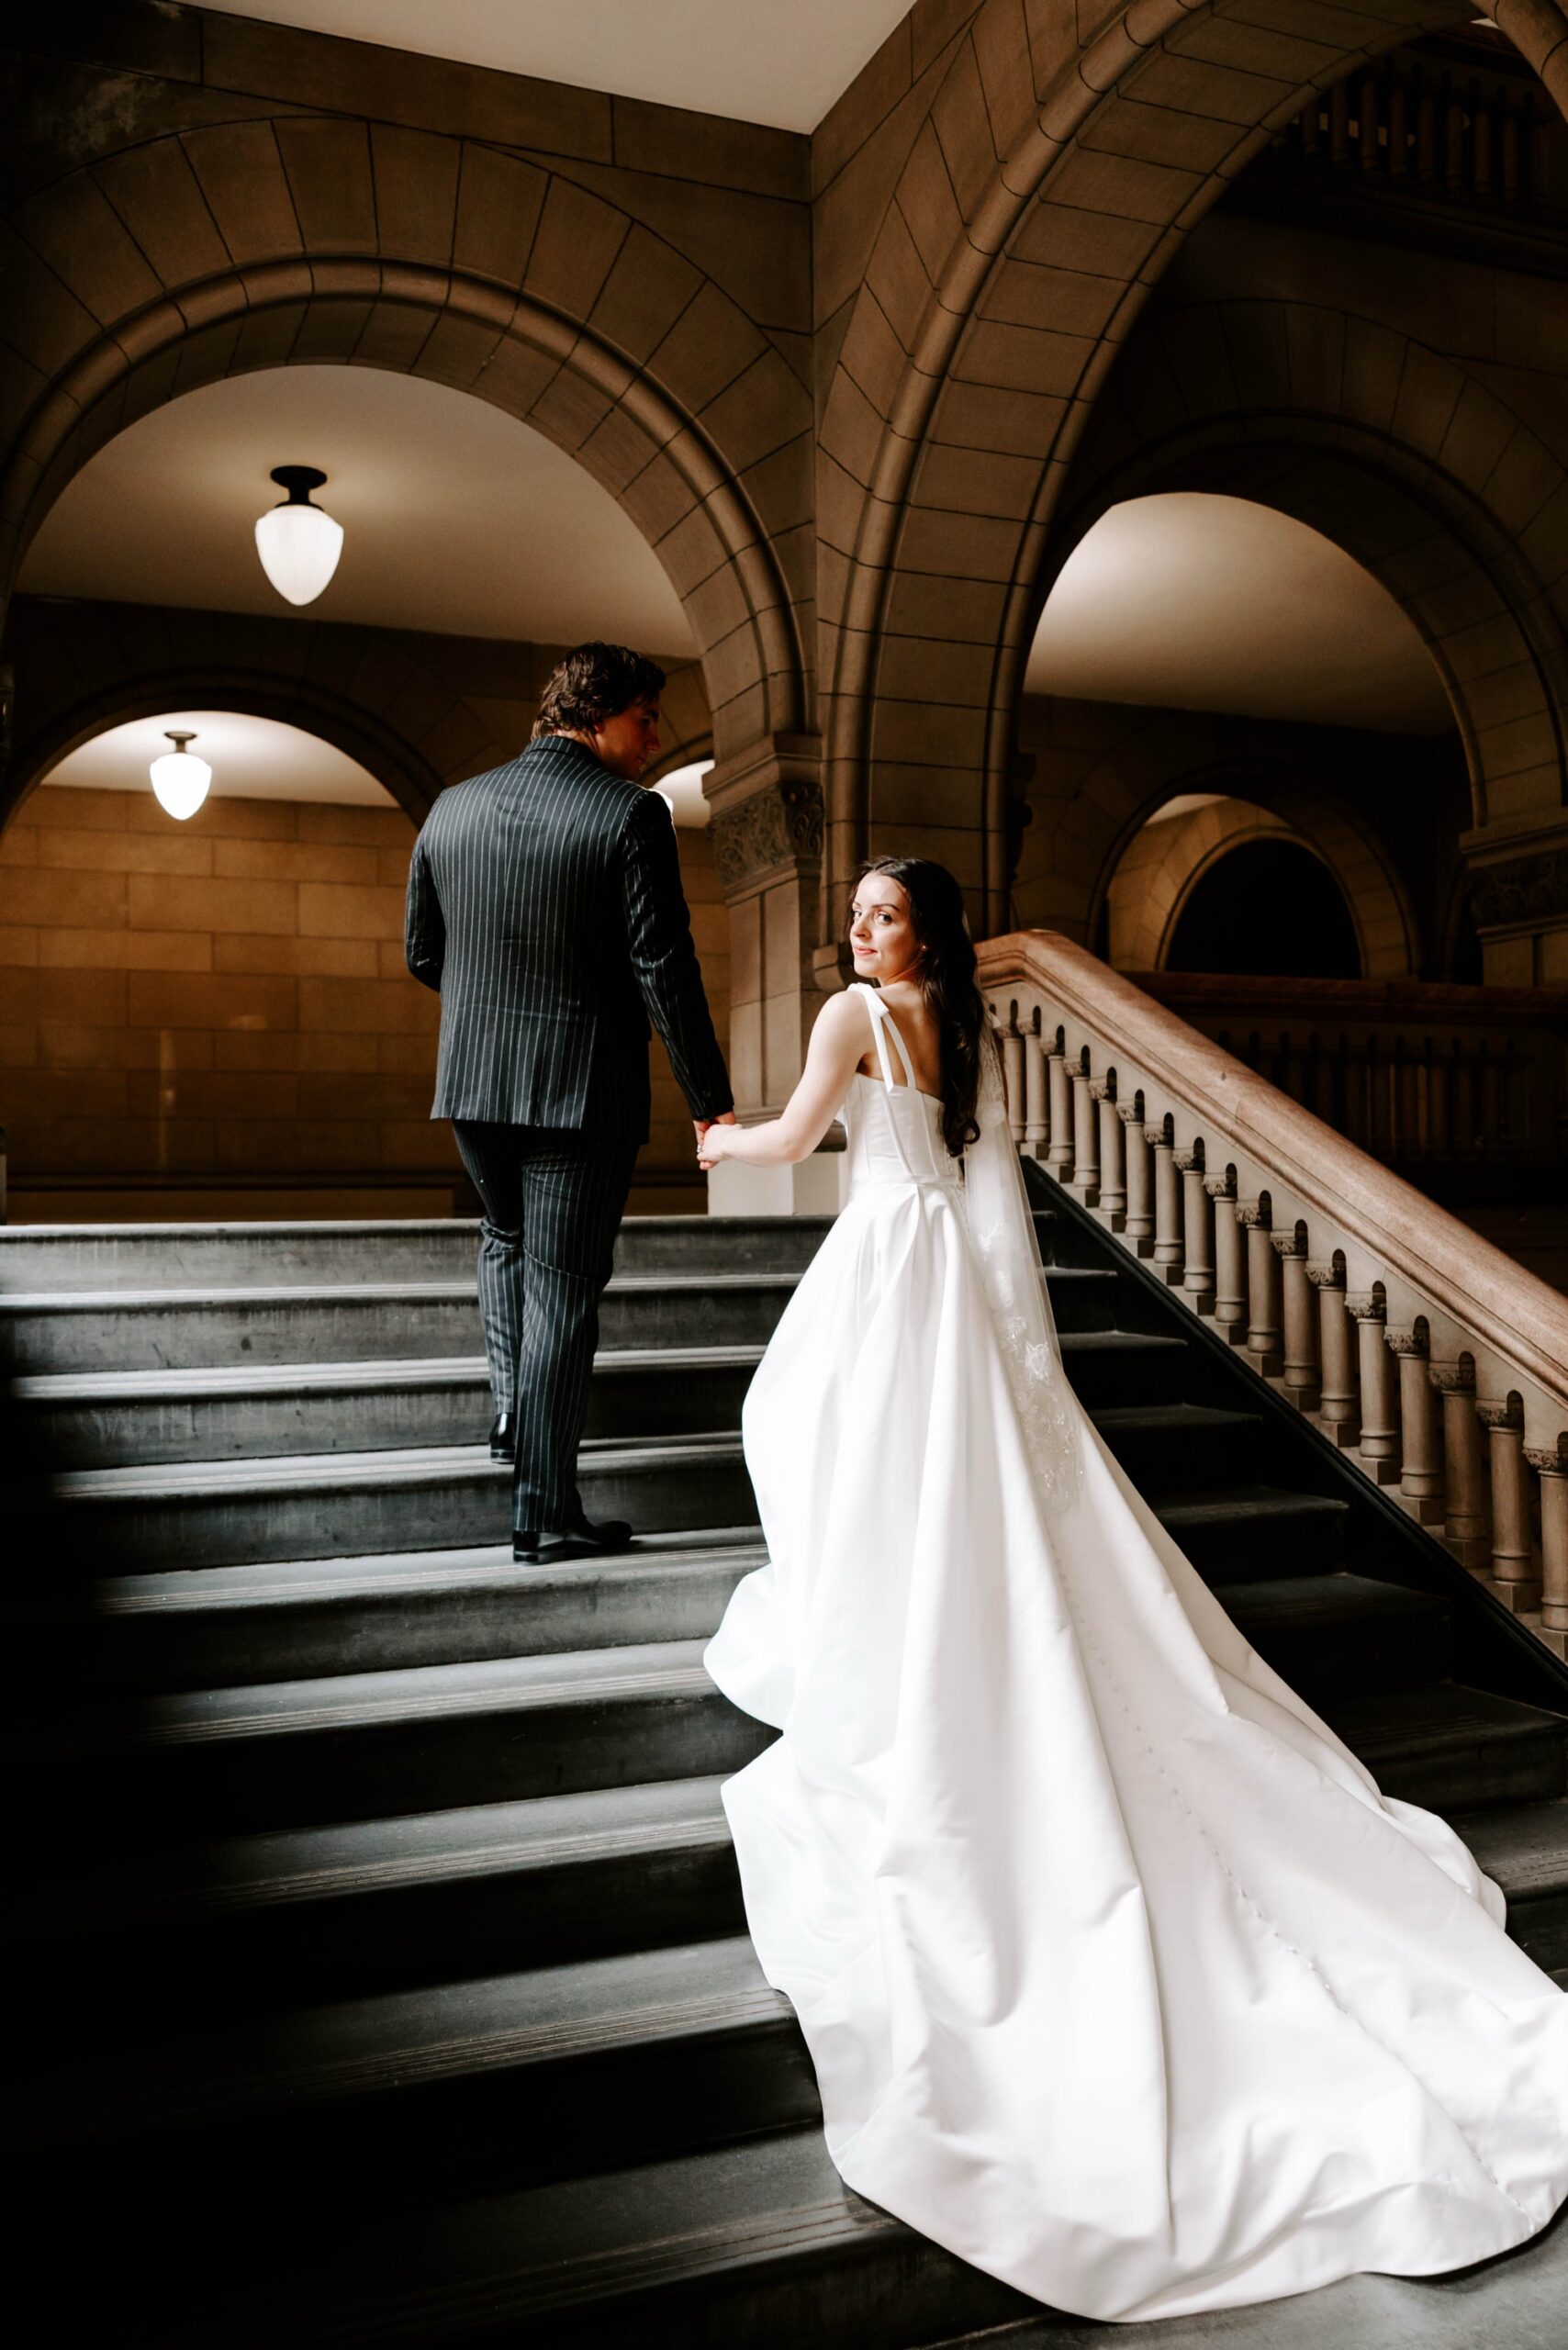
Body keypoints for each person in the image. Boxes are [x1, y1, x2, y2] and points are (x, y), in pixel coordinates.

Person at [697, 854, 1568, 2325]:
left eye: (883, 913)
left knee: (813, 1427)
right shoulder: (963, 1019)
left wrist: (720, 1145)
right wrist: (1025, 1359)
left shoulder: (856, 1015)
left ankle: (893, 1643)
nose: (860, 929)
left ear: (920, 930)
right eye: (855, 912)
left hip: (884, 1269)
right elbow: (986, 1183)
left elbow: (797, 1136)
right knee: (881, 1451)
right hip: (951, 1284)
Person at [405, 641, 734, 1565]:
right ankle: (544, 1509)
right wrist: (711, 1104)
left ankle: (518, 1424)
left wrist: (492, 1012)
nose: (654, 738)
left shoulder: (450, 807)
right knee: (562, 1290)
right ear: (596, 713)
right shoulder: (632, 815)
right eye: (646, 718)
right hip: (580, 1088)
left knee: (504, 1244)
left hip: (472, 1082)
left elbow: (422, 953)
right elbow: (664, 968)